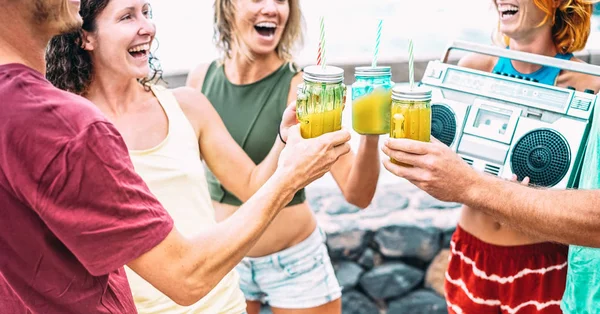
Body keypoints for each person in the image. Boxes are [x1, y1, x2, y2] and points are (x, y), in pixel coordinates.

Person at [0, 0, 352, 313]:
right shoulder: (69, 129)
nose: (147, 27)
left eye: (147, 12)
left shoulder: (185, 106)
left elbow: (250, 185)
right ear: (86, 36)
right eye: (126, 16)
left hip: (225, 303)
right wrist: (291, 177)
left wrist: (284, 142)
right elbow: (182, 277)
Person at [382, 1, 600, 313]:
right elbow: (445, 167)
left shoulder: (587, 87)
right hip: (473, 253)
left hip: (543, 264)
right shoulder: (472, 66)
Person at [186, 1, 381, 313]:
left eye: (280, 0)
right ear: (228, 6)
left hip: (294, 264)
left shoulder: (305, 88)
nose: (271, 8)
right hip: (223, 260)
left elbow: (357, 194)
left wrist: (371, 132)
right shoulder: (200, 80)